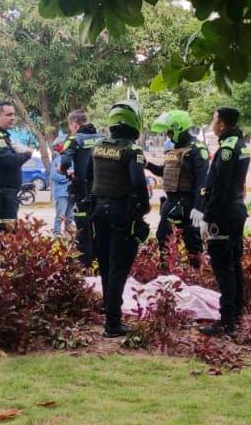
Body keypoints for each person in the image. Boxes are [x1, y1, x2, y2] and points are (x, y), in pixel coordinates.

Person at [90, 100, 151, 338]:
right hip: (121, 214)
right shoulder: (132, 151)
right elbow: (137, 183)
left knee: (105, 266)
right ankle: (113, 323)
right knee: (119, 267)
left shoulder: (98, 147)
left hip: (99, 211)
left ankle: (110, 315)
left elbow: (88, 178)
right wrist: (143, 210)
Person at [193, 107, 250, 337]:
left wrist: (208, 217)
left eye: (213, 119)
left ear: (223, 125)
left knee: (223, 266)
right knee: (233, 263)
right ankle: (235, 313)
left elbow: (220, 188)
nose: (211, 123)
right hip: (235, 210)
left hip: (224, 214)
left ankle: (227, 321)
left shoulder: (227, 149)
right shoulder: (240, 143)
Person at [145, 110, 208, 268]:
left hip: (188, 203)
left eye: (170, 132)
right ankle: (167, 275)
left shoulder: (196, 149)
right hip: (171, 202)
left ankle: (197, 275)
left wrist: (199, 207)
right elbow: (163, 171)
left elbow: (202, 181)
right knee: (163, 238)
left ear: (179, 128)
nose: (168, 135)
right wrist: (147, 165)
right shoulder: (173, 150)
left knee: (192, 242)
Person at [0, 101, 32, 235]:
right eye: (8, 115)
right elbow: (8, 160)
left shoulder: (3, 136)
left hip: (6, 195)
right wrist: (26, 155)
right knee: (3, 239)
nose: (13, 118)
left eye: (14, 115)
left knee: (9, 237)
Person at [58, 110, 102, 266]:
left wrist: (63, 171)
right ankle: (101, 263)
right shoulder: (103, 138)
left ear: (74, 125)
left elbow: (64, 163)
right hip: (103, 193)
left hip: (83, 192)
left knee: (83, 231)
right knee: (102, 229)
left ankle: (86, 266)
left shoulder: (74, 139)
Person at [50, 147, 72, 235]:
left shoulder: (71, 160)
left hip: (70, 193)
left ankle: (68, 236)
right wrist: (67, 178)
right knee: (60, 216)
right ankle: (57, 235)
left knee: (69, 217)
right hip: (61, 193)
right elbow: (53, 175)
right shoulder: (57, 161)